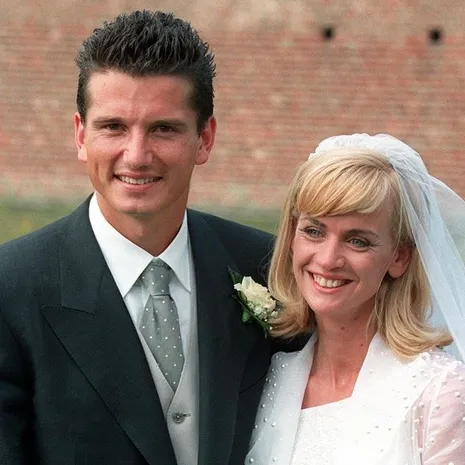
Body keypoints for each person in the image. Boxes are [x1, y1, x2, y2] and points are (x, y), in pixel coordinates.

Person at [0, 10, 277, 465]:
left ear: (205, 138)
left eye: (163, 128)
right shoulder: (10, 287)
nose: (137, 155)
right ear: (81, 135)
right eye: (113, 127)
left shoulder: (265, 265)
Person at [245, 133, 465, 465]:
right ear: (291, 237)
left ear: (399, 257)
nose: (328, 259)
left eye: (357, 241)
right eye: (314, 231)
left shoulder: (439, 391)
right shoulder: (269, 375)